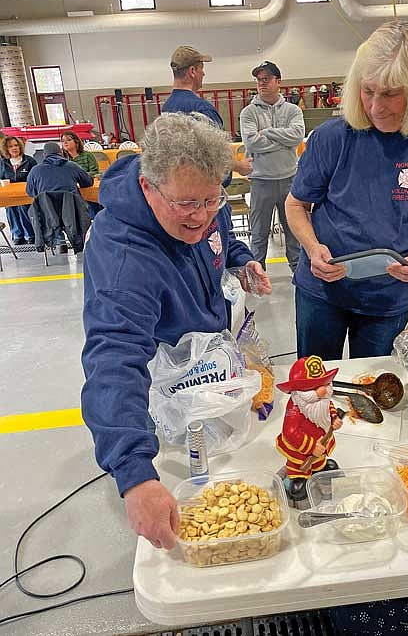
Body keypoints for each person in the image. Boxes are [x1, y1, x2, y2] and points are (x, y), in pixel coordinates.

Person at [81, 113, 271, 550]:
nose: (201, 215)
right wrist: (135, 475)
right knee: (190, 481)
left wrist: (241, 261)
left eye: (212, 200)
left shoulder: (199, 197)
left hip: (212, 364)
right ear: (148, 188)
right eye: (188, 205)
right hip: (166, 385)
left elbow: (217, 236)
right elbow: (114, 356)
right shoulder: (124, 257)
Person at [286, 20, 408, 361]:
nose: (377, 107)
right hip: (323, 291)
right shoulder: (332, 137)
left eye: (391, 93)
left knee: (377, 390)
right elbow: (296, 205)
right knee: (315, 389)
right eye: (368, 91)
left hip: (388, 298)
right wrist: (312, 247)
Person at [239, 61, 305, 272]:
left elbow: (296, 137)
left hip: (290, 181)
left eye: (266, 79)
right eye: (259, 80)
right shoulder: (249, 113)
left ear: (278, 81)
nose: (262, 84)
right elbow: (251, 142)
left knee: (294, 232)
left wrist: (266, 132)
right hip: (261, 182)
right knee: (258, 234)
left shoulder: (293, 110)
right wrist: (282, 138)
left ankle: (298, 273)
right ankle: (258, 275)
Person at [161, 45, 252, 178]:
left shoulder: (166, 108)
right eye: (201, 69)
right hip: (203, 186)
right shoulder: (201, 109)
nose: (203, 73)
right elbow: (217, 153)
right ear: (192, 71)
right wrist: (240, 167)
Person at [275, 355, 342, 503]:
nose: (322, 391)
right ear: (300, 391)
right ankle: (299, 480)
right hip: (300, 453)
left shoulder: (322, 400)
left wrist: (334, 418)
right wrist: (311, 446)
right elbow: (290, 432)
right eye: (314, 388)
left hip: (320, 448)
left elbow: (328, 408)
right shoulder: (295, 407)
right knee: (299, 475)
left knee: (320, 463)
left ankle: (319, 471)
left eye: (324, 384)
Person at [26, 141, 93, 253]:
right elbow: (88, 181)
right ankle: (78, 243)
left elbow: (30, 192)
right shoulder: (71, 166)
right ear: (61, 153)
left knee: (50, 214)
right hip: (72, 213)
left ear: (44, 155)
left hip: (48, 215)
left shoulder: (35, 170)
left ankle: (58, 241)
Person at [0, 136, 37, 245]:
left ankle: (30, 234)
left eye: (16, 145)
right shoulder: (3, 163)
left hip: (27, 195)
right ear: (6, 149)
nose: (14, 148)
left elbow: (35, 178)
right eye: (10, 146)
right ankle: (17, 234)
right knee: (10, 208)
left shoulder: (29, 161)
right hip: (10, 195)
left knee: (22, 207)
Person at [61, 130, 101, 218]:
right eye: (63, 141)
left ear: (76, 142)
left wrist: (81, 177)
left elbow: (95, 171)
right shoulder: (62, 160)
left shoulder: (87, 155)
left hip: (87, 187)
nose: (65, 143)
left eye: (68, 140)